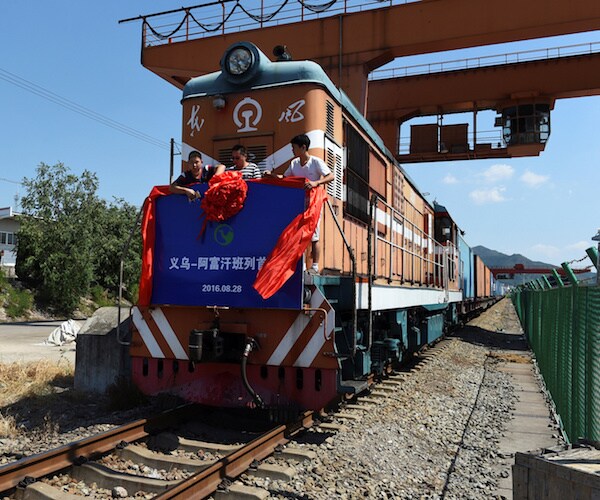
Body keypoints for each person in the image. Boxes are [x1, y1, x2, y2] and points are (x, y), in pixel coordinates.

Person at [265, 134, 334, 274]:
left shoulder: (316, 162)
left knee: (314, 234)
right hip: (298, 201)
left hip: (314, 202)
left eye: (294, 147)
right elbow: (285, 178)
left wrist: (316, 183)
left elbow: (331, 176)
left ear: (303, 147)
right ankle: (301, 266)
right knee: (298, 233)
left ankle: (314, 266)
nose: (292, 150)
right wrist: (271, 175)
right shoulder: (294, 163)